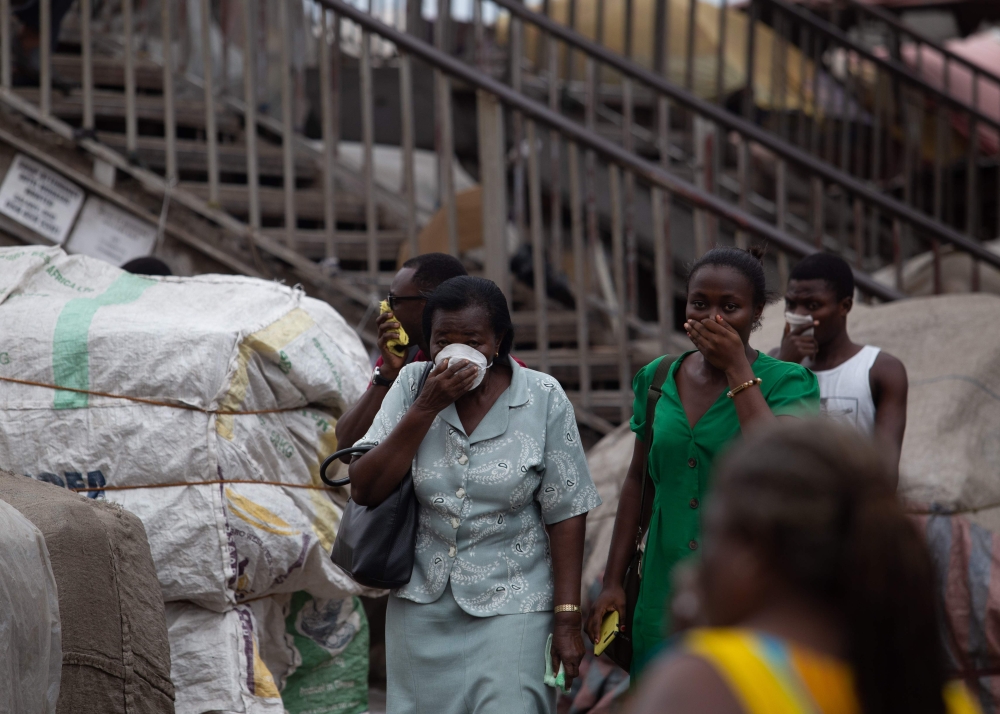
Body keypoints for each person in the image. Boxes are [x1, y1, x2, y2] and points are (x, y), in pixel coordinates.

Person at [348, 276, 602, 714]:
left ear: (498, 341)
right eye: (443, 339)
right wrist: (426, 406)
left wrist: (566, 616)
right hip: (420, 604)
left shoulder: (542, 396)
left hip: (516, 602)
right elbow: (364, 485)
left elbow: (567, 510)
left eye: (472, 340)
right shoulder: (412, 385)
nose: (456, 349)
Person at [628, 421, 981, 714]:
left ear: (754, 550)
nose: (694, 566)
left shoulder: (702, 684)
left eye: (711, 535)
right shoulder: (951, 702)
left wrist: (682, 651)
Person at [586, 246, 820, 681]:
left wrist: (736, 369)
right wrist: (613, 581)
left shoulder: (789, 382)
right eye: (700, 303)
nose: (713, 317)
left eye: (730, 307)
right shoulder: (657, 378)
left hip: (750, 589)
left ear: (755, 315)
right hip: (663, 591)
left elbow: (781, 464)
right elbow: (638, 482)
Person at [772, 252, 908, 483]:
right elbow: (752, 438)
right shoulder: (776, 361)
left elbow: (886, 471)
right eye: (791, 304)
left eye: (813, 305)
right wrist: (784, 367)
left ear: (845, 306)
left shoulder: (880, 369)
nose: (798, 316)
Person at [334, 253, 468, 454]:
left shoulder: (487, 368)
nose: (386, 309)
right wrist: (388, 372)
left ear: (430, 303)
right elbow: (347, 447)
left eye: (394, 300)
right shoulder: (402, 358)